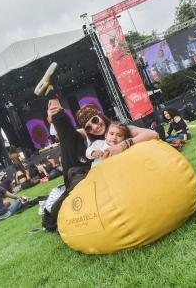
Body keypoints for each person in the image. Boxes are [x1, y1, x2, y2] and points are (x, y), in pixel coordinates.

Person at [34, 62, 159, 226]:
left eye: (95, 120)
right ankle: (52, 94)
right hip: (85, 172)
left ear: (100, 115)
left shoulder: (119, 129)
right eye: (89, 127)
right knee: (69, 142)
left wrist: (122, 144)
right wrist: (52, 118)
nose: (94, 127)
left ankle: (53, 213)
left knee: (77, 172)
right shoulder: (90, 135)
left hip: (103, 177)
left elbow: (153, 134)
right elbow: (64, 135)